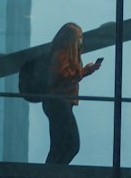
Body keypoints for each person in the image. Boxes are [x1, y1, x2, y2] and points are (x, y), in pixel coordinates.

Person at [43, 21, 103, 164]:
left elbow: (68, 76)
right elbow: (65, 77)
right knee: (70, 145)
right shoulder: (62, 55)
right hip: (59, 102)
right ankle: (50, 177)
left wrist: (86, 71)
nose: (81, 41)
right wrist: (86, 70)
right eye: (79, 37)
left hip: (59, 102)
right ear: (71, 39)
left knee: (60, 145)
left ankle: (49, 177)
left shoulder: (63, 55)